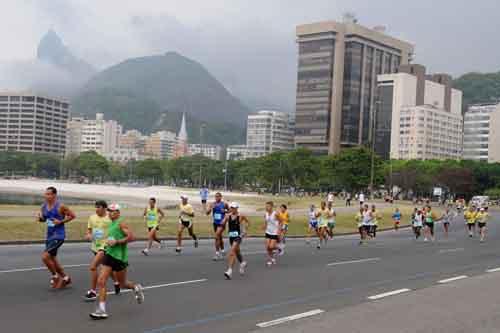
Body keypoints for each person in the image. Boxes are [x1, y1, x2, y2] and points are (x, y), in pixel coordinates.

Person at [89, 203, 144, 320]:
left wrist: (117, 242)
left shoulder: (121, 223)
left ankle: (135, 287)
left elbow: (132, 237)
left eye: (113, 211)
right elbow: (110, 239)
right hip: (109, 255)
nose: (110, 212)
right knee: (101, 281)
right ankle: (102, 310)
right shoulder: (111, 224)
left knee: (123, 284)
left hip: (120, 258)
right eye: (109, 210)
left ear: (118, 213)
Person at [36, 186, 76, 289]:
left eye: (49, 194)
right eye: (46, 194)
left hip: (59, 235)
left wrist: (60, 221)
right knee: (53, 259)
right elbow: (44, 219)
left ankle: (55, 276)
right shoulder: (43, 206)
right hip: (49, 235)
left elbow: (72, 216)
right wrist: (40, 218)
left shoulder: (61, 206)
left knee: (45, 257)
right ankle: (66, 278)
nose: (47, 196)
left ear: (54, 195)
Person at [84, 200, 120, 301]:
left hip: (105, 246)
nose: (96, 209)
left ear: (104, 208)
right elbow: (89, 231)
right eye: (95, 207)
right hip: (95, 246)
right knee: (106, 267)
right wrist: (88, 236)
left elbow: (116, 230)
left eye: (98, 207)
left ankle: (93, 291)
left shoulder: (110, 218)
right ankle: (116, 282)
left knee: (93, 267)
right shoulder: (92, 217)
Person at [223, 202, 249, 279]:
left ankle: (229, 271)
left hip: (238, 236)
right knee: (237, 252)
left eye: (234, 208)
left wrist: (244, 231)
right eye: (231, 208)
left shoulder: (241, 216)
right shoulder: (228, 216)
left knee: (232, 252)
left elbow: (248, 222)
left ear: (237, 208)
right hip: (231, 237)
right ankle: (242, 263)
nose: (232, 209)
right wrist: (223, 219)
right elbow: (222, 223)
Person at [206, 192, 229, 261]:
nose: (217, 198)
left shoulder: (224, 204)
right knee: (219, 237)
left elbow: (230, 211)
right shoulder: (213, 204)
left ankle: (217, 254)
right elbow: (207, 213)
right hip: (215, 223)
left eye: (218, 196)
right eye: (216, 197)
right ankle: (223, 250)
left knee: (216, 236)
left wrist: (224, 211)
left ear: (221, 197)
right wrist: (210, 209)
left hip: (222, 223)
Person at [263, 201, 283, 266]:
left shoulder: (275, 214)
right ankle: (271, 260)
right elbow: (266, 222)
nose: (266, 207)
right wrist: (264, 227)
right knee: (267, 247)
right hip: (268, 232)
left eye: (268, 206)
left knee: (271, 247)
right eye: (266, 206)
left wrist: (279, 231)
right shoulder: (265, 214)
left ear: (271, 207)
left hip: (274, 232)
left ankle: (279, 248)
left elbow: (281, 221)